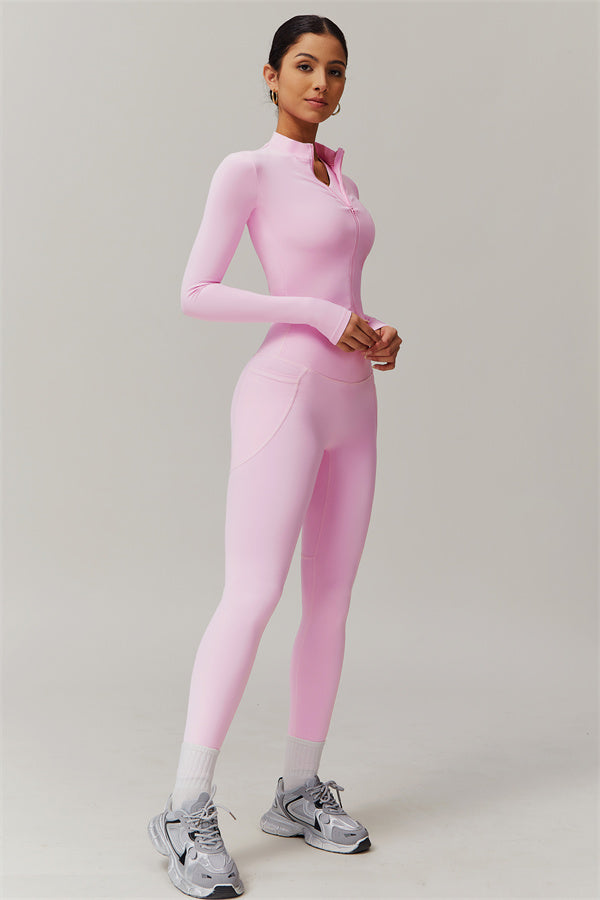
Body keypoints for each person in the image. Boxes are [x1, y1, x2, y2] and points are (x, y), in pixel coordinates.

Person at [147, 13, 402, 899]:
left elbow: (343, 290)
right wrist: (315, 313)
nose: (321, 83)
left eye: (335, 70)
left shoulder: (342, 179)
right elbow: (196, 292)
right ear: (269, 75)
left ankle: (298, 789)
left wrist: (372, 330)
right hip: (284, 395)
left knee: (331, 599)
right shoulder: (248, 170)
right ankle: (184, 805)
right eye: (303, 65)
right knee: (253, 594)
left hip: (353, 403)